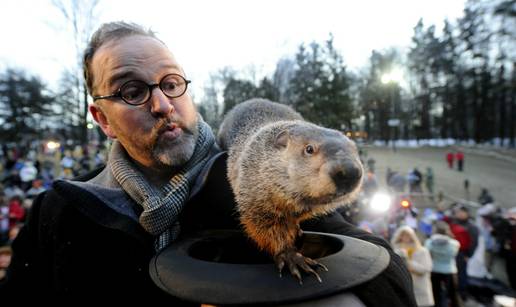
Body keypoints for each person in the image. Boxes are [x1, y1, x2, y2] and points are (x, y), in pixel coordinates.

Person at [0, 22, 416, 306]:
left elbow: (383, 269)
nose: (162, 104)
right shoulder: (61, 210)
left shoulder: (248, 179)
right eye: (131, 90)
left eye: (171, 83)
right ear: (102, 119)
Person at [391, 226, 434, 307]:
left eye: (407, 235)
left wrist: (407, 261)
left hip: (420, 289)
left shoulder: (422, 251)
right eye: (402, 235)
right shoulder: (396, 251)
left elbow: (425, 269)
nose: (405, 238)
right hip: (403, 290)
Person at [425, 221, 463, 307]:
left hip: (434, 270)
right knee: (453, 295)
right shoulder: (454, 243)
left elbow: (427, 253)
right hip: (450, 271)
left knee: (435, 294)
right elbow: (455, 252)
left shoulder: (429, 242)